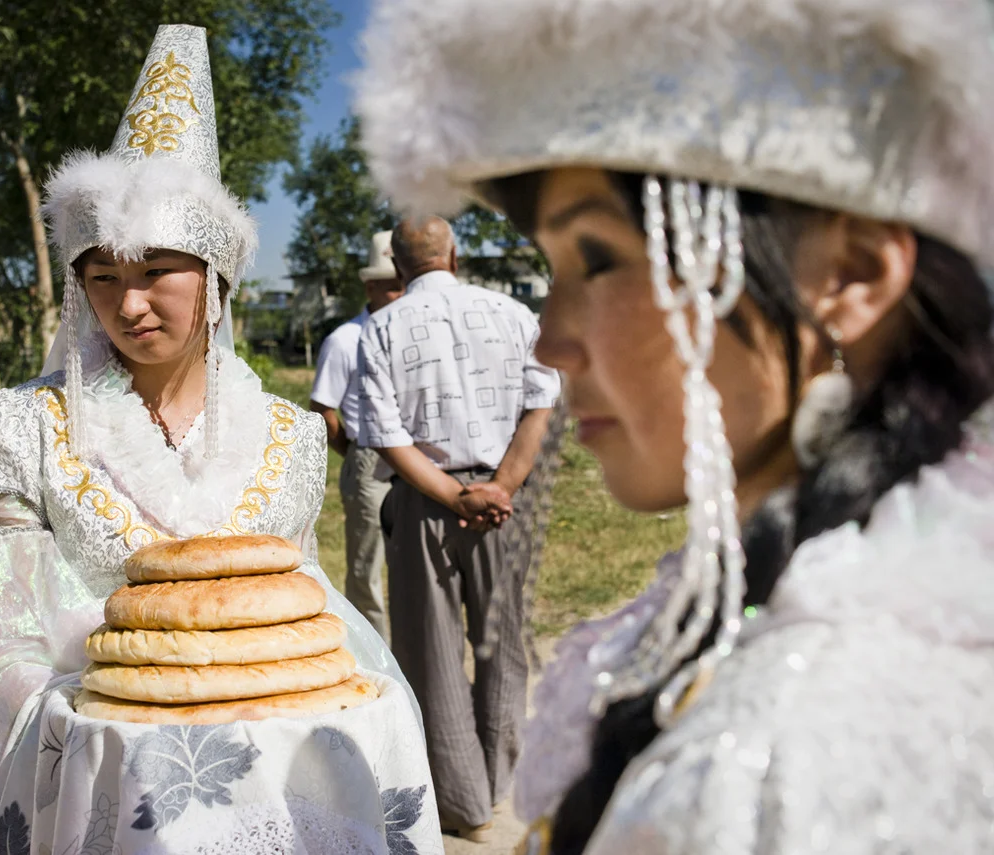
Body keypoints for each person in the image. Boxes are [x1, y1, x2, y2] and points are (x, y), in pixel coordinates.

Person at [356, 0, 994, 852]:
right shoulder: (801, 594)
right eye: (554, 267)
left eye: (602, 258)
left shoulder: (813, 744)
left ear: (848, 275)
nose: (552, 337)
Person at [0, 26, 441, 855]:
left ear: (214, 277)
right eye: (102, 277)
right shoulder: (30, 423)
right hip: (100, 778)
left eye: (154, 272)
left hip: (269, 792)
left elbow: (303, 613)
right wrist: (103, 729)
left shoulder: (286, 434)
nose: (129, 303)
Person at [357, 215, 559, 840]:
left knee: (432, 649)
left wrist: (450, 493)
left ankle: (463, 803)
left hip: (426, 502)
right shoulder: (514, 314)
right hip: (502, 499)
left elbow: (386, 435)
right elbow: (542, 401)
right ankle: (498, 784)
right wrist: (501, 487)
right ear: (455, 252)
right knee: (503, 642)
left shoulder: (382, 327)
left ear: (396, 265)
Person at [309, 229, 405, 637]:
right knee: (368, 565)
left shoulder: (412, 332)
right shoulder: (346, 339)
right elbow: (323, 409)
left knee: (412, 564)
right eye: (394, 286)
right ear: (371, 285)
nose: (402, 294)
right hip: (369, 460)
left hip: (418, 460)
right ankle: (378, 654)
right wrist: (354, 454)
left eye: (406, 285)